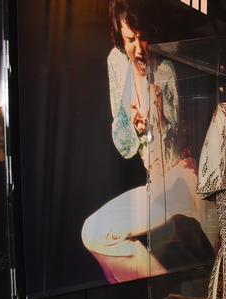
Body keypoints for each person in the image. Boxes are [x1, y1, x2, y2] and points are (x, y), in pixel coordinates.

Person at [81, 0, 211, 283]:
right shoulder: (115, 63)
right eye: (130, 39)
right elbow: (123, 145)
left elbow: (173, 136)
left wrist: (159, 119)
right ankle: (156, 283)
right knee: (93, 232)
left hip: (182, 176)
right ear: (119, 35)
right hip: (156, 185)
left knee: (225, 248)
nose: (138, 49)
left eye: (142, 37)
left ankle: (163, 285)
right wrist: (136, 127)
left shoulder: (167, 66)